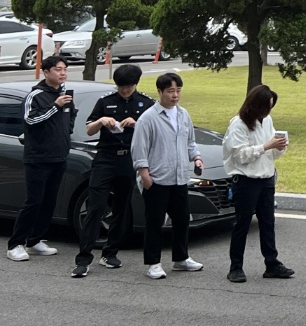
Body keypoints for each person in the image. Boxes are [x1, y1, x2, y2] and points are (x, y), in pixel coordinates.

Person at [71, 63, 153, 276]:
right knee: (96, 206)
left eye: (128, 86)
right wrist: (101, 120)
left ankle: (110, 252)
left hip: (129, 159)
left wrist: (138, 123)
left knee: (122, 207)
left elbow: (154, 133)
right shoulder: (105, 102)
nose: (124, 90)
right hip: (105, 158)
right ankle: (84, 258)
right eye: (121, 87)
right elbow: (89, 130)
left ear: (135, 84)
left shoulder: (146, 104)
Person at [131, 71, 206, 280]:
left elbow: (190, 140)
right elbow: (139, 148)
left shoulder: (183, 114)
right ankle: (153, 263)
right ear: (160, 92)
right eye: (171, 91)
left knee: (182, 219)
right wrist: (144, 174)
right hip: (157, 178)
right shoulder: (148, 118)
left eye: (178, 91)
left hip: (180, 177)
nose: (175, 95)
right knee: (155, 222)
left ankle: (181, 259)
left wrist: (196, 157)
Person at [6, 55, 76, 262]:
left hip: (59, 156)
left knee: (49, 201)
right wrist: (55, 106)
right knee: (34, 201)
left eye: (64, 69)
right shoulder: (35, 95)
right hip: (37, 158)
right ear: (46, 72)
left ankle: (36, 240)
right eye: (57, 69)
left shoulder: (64, 94)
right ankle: (15, 244)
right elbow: (31, 120)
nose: (62, 73)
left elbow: (70, 119)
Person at [222, 84, 293, 283]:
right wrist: (266, 146)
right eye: (265, 107)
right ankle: (235, 267)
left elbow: (272, 153)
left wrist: (279, 147)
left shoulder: (267, 120)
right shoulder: (238, 124)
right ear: (255, 105)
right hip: (246, 180)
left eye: (271, 107)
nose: (268, 112)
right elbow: (240, 155)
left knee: (268, 223)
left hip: (266, 178)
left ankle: (272, 263)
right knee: (242, 224)